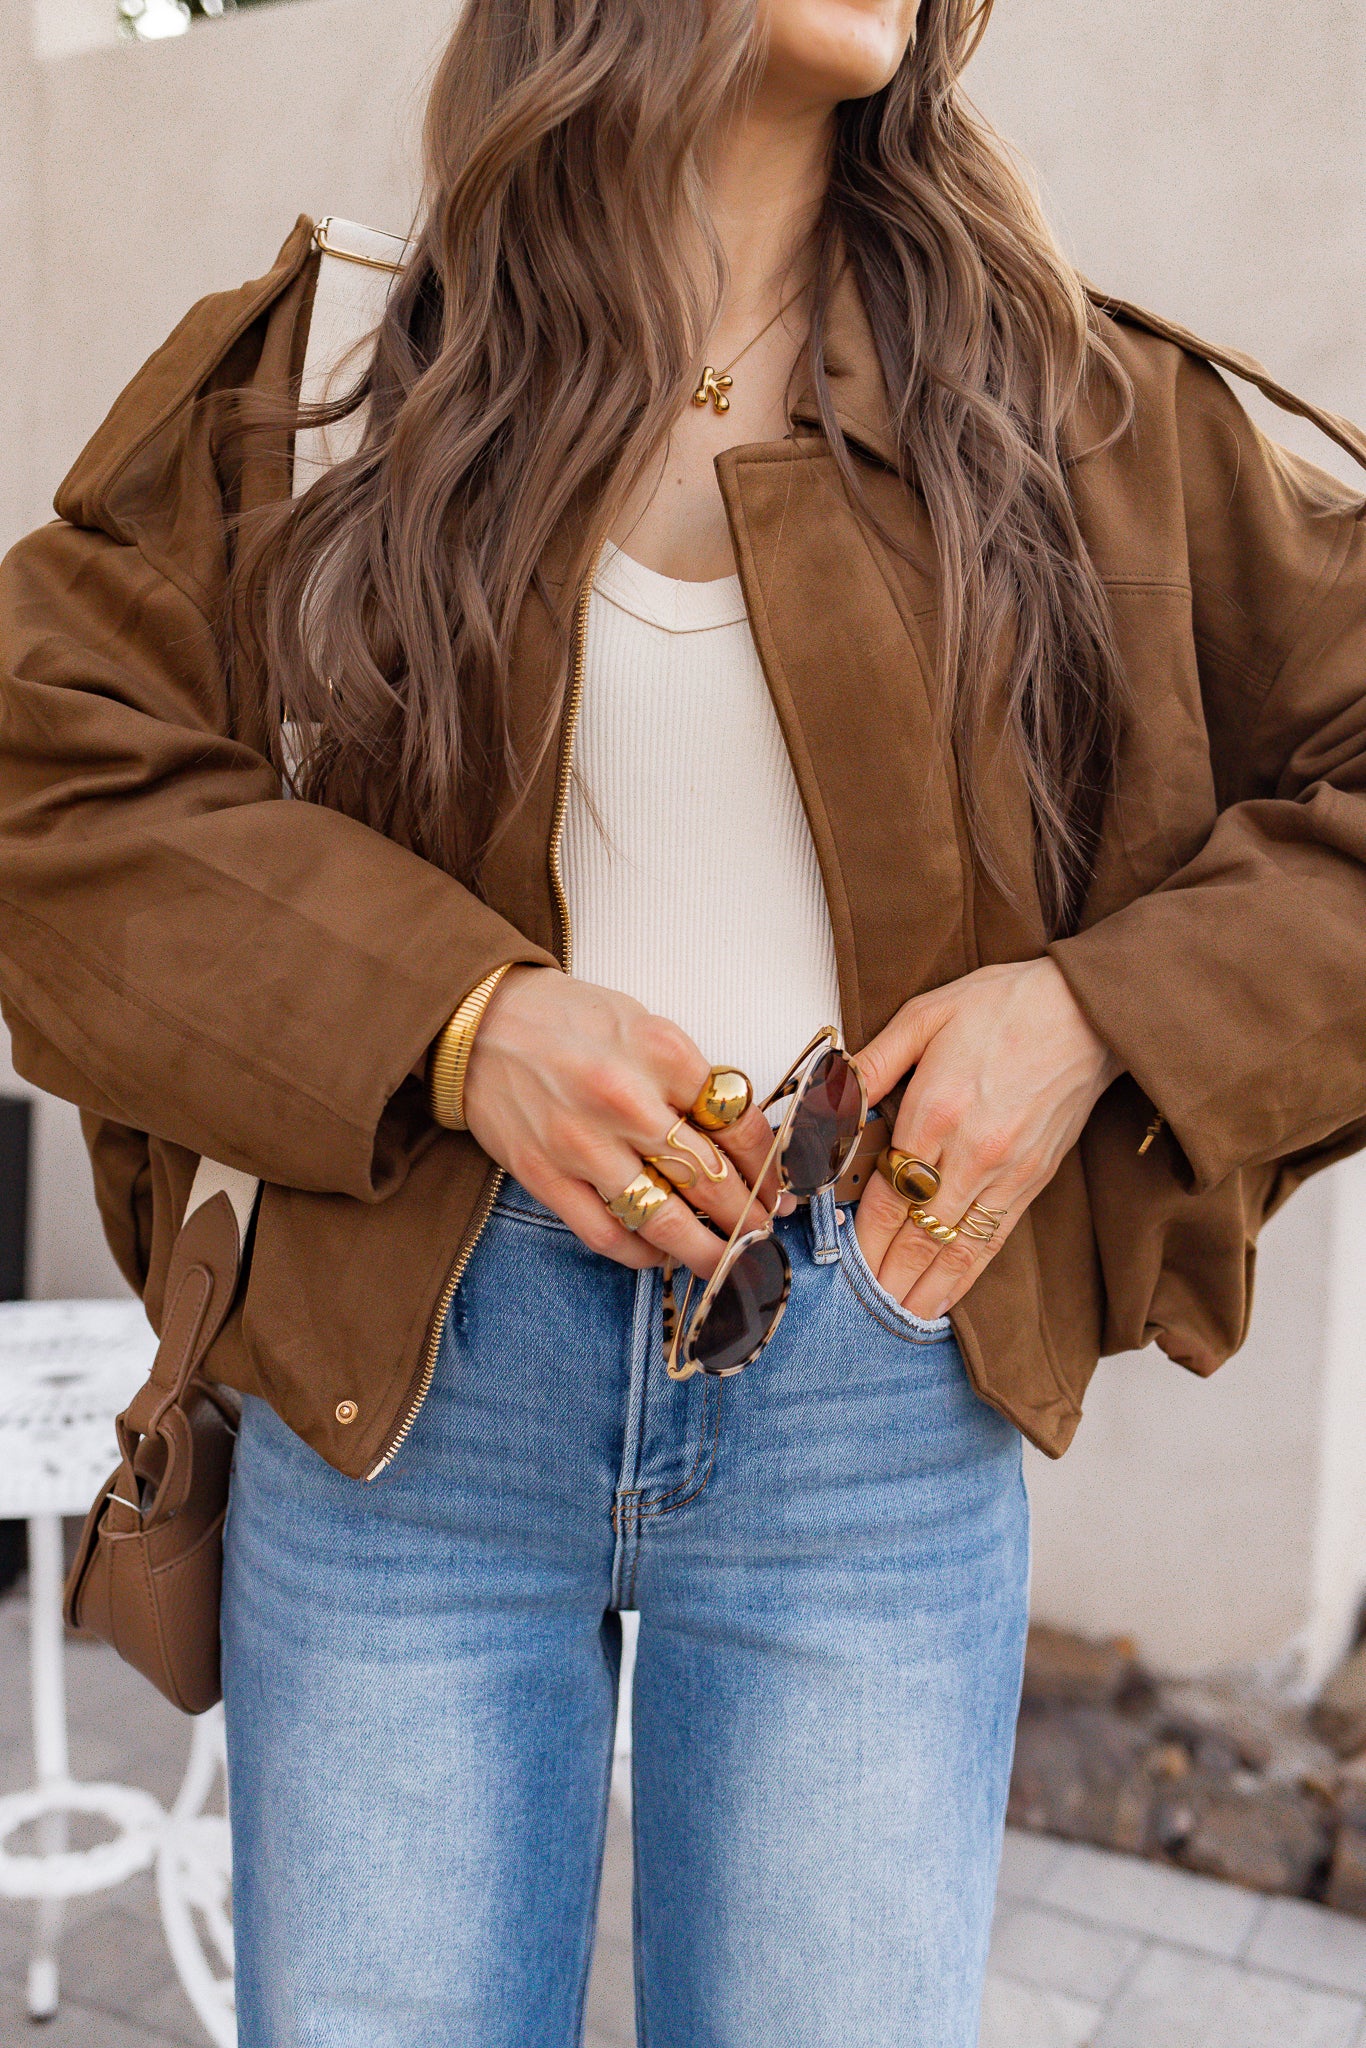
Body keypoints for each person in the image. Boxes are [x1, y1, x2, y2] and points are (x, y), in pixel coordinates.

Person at [1, 1, 1364, 2041]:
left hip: (867, 1412)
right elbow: (45, 785)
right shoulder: (336, 374)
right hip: (405, 1409)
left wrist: (1092, 1016)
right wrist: (457, 1019)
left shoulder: (1072, 414)